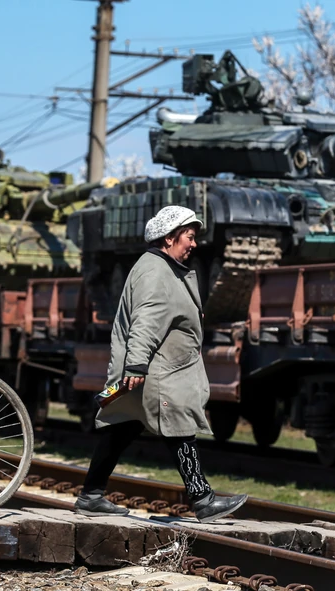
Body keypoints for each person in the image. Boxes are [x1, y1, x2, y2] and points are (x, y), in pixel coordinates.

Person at [74, 205, 248, 523]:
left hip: (160, 367)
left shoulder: (162, 267)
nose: (194, 244)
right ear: (169, 238)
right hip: (158, 371)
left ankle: (91, 495)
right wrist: (137, 366)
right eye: (189, 237)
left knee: (122, 427)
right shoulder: (156, 272)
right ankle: (203, 499)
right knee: (179, 426)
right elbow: (147, 321)